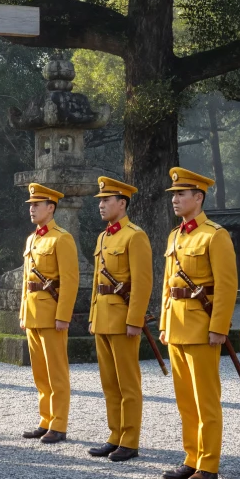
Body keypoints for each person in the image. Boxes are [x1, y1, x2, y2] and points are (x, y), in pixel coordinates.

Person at [159, 168, 237, 479]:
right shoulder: (175, 236)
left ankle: (208, 463)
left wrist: (219, 327)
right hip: (177, 326)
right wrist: (164, 323)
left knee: (206, 399)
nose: (175, 199)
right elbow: (168, 285)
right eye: (174, 195)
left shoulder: (214, 235)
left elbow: (227, 285)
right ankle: (191, 457)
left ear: (198, 197)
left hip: (202, 328)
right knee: (185, 400)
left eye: (181, 194)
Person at [87, 176, 153, 463]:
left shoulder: (135, 235)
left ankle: (130, 439)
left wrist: (134, 319)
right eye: (100, 200)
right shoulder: (103, 237)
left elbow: (142, 282)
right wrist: (92, 315)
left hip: (123, 319)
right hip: (103, 317)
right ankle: (114, 435)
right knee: (109, 383)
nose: (101, 205)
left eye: (106, 200)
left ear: (122, 203)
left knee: (128, 384)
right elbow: (96, 282)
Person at [18, 183, 78, 444]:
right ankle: (45, 420)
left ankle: (59, 424)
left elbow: (70, 280)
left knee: (56, 372)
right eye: (30, 205)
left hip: (52, 314)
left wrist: (63, 316)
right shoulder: (32, 239)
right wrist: (23, 312)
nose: (32, 209)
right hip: (33, 313)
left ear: (50, 208)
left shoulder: (61, 238)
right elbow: (25, 280)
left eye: (36, 205)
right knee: (40, 373)